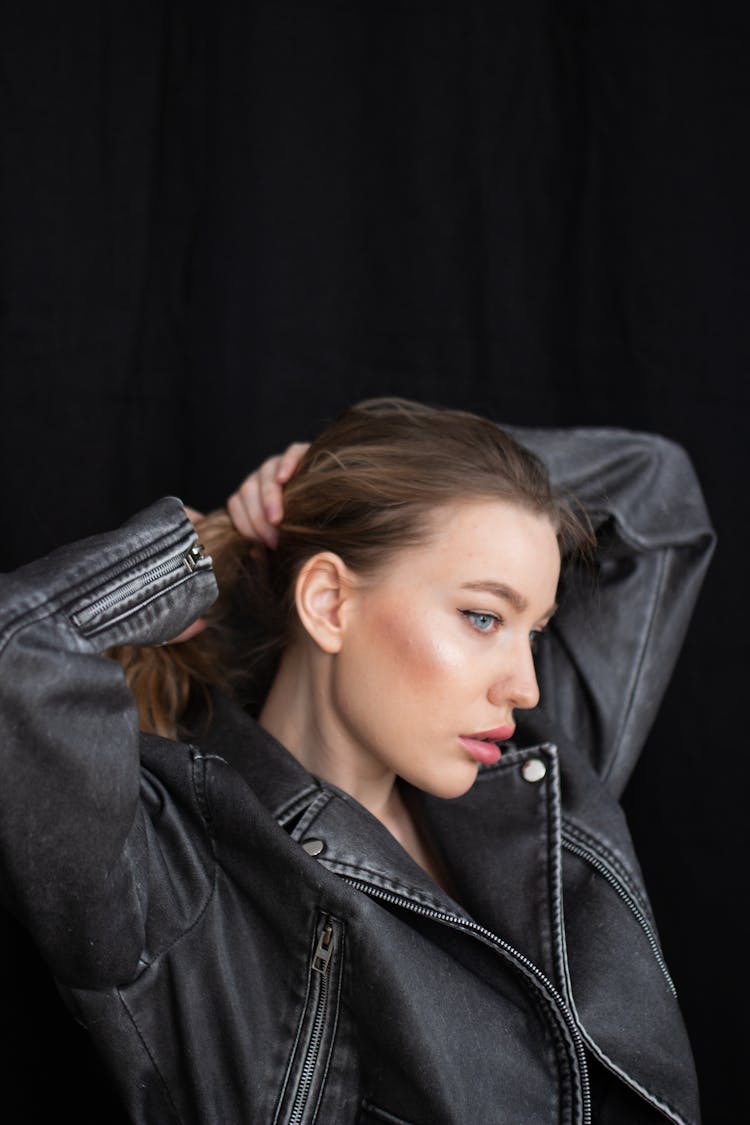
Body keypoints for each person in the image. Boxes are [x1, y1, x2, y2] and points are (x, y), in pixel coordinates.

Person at [0, 398, 714, 1124]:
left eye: (533, 630)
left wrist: (333, 477)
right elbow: (11, 659)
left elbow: (656, 490)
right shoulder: (174, 874)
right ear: (329, 602)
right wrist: (179, 559)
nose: (524, 685)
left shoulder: (528, 776)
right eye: (482, 616)